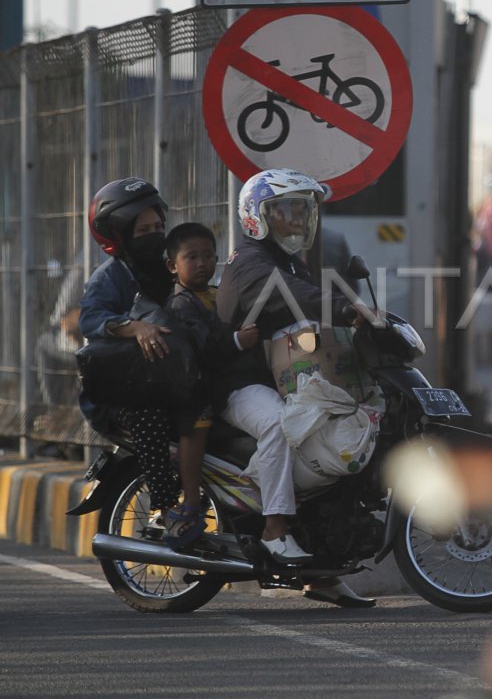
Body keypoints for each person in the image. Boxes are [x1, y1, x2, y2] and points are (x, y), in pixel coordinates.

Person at [215, 168, 374, 608]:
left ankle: (322, 570)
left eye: (303, 209)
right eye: (286, 209)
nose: (298, 218)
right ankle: (275, 530)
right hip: (237, 384)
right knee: (280, 425)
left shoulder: (286, 260)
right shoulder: (251, 264)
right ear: (257, 216)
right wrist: (348, 308)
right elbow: (296, 297)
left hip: (279, 378)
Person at [79, 178, 196, 544]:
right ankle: (165, 510)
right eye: (143, 229)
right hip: (126, 394)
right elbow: (90, 319)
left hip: (171, 380)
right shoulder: (111, 276)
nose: (155, 234)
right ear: (119, 234)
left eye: (158, 226)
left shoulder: (169, 267)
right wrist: (132, 327)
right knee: (149, 417)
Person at [160, 222, 260, 547]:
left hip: (223, 384)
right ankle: (190, 500)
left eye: (208, 256)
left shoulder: (215, 294)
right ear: (172, 266)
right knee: (197, 421)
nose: (202, 263)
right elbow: (203, 347)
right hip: (193, 389)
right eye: (192, 257)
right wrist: (237, 341)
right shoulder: (180, 303)